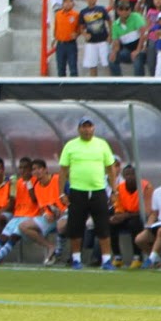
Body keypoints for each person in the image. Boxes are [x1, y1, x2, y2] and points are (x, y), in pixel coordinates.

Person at [58, 116, 119, 271]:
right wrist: (61, 193)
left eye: (89, 126)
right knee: (76, 226)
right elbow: (63, 171)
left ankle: (106, 260)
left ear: (94, 128)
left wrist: (114, 190)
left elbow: (111, 169)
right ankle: (76, 259)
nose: (87, 129)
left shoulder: (102, 145)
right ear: (79, 129)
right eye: (84, 127)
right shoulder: (71, 146)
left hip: (98, 190)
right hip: (78, 190)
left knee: (103, 226)